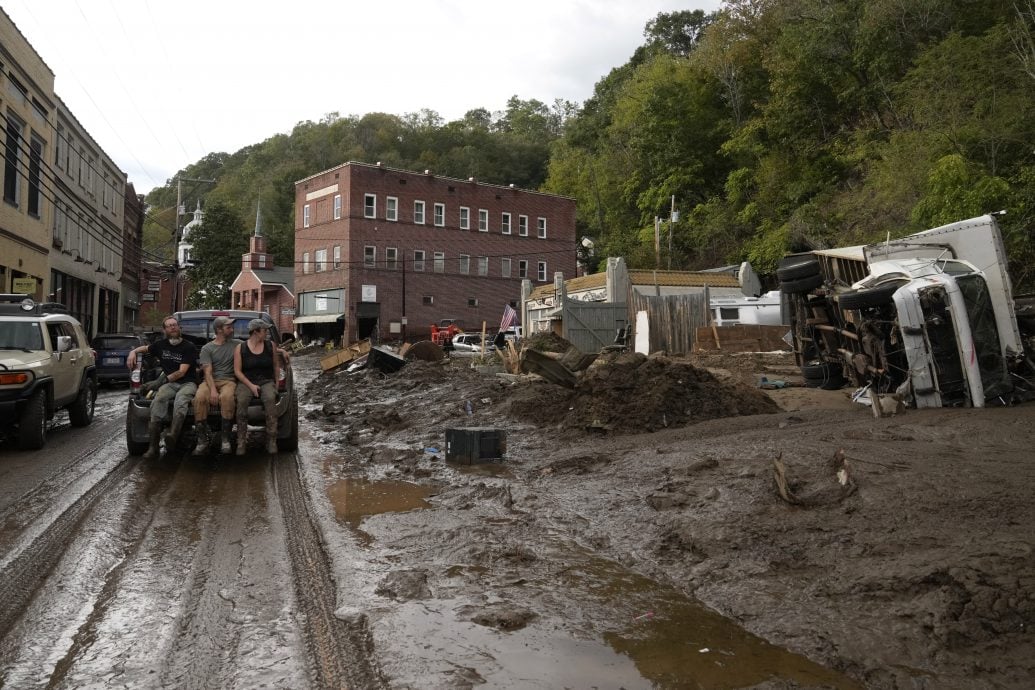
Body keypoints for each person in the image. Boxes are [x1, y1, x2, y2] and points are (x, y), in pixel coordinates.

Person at [126, 316, 198, 459]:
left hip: (187, 383)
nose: (173, 327)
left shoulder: (189, 346)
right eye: (169, 326)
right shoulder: (160, 345)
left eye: (175, 325)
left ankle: (172, 435)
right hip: (170, 384)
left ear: (179, 328)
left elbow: (182, 372)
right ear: (165, 330)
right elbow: (145, 348)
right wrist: (132, 352)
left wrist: (157, 383)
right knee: (158, 400)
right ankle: (153, 447)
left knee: (180, 401)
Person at [192, 316, 239, 455]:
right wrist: (212, 390)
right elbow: (207, 371)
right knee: (199, 398)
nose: (232, 329)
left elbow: (256, 346)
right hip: (210, 381)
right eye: (228, 327)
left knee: (227, 398)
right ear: (219, 329)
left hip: (228, 381)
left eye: (231, 326)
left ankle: (225, 439)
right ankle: (202, 440)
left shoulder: (237, 344)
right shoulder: (207, 348)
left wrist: (280, 351)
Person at [233, 318, 281, 455]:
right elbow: (237, 371)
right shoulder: (240, 348)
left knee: (271, 399)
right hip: (246, 381)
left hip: (266, 381)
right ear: (255, 332)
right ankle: (241, 440)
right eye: (264, 330)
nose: (266, 333)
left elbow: (276, 365)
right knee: (241, 402)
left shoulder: (270, 345)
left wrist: (276, 383)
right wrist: (251, 386)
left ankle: (271, 439)